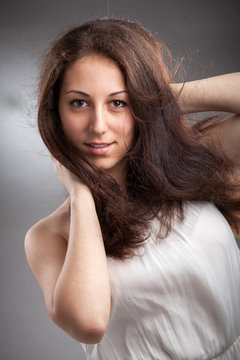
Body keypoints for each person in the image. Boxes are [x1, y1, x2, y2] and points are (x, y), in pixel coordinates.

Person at [24, 18, 240, 359]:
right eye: (79, 103)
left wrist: (159, 100)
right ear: (56, 113)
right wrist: (81, 196)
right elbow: (90, 323)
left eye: (118, 103)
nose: (98, 126)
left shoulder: (192, 160)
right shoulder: (50, 235)